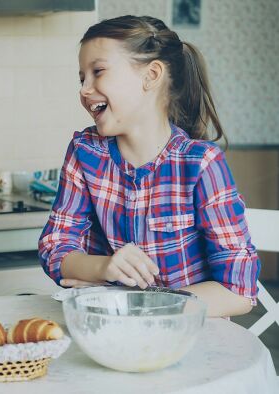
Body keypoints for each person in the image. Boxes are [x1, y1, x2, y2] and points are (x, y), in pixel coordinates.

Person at [38, 15, 259, 318]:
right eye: (81, 78)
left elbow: (238, 292)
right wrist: (103, 266)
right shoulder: (84, 152)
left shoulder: (201, 164)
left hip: (193, 345)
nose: (84, 89)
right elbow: (55, 246)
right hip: (111, 336)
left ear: (151, 75)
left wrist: (136, 303)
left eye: (98, 72)